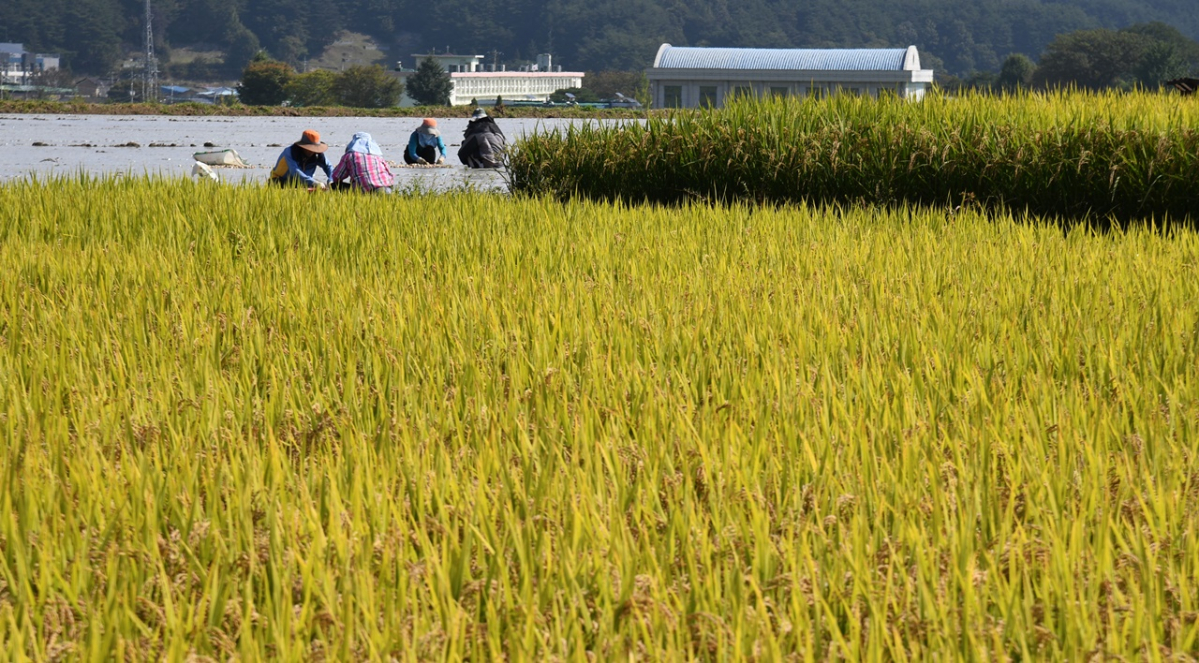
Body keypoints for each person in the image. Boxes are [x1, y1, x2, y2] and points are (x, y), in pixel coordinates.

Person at [330, 132, 394, 193]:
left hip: (363, 189)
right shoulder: (378, 156)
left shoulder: (349, 156)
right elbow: (389, 174)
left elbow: (337, 176)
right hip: (386, 188)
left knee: (334, 186)